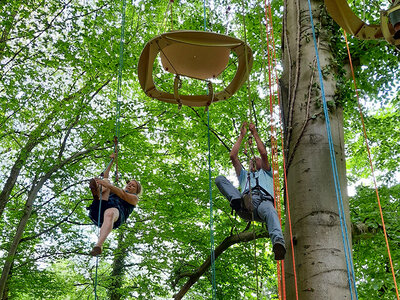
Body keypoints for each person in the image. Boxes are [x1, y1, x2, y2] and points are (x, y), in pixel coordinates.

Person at [215, 122, 286, 260]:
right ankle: (236, 201)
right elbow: (233, 157)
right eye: (252, 161)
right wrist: (241, 136)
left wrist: (254, 133)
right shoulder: (244, 176)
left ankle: (278, 243)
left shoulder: (267, 173)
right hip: (245, 204)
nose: (254, 160)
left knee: (270, 211)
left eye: (256, 160)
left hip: (263, 203)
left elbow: (264, 153)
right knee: (219, 179)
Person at [87, 152, 142, 256]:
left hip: (114, 216)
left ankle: (98, 245)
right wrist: (111, 161)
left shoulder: (134, 198)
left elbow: (122, 195)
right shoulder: (115, 190)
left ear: (136, 191)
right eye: (129, 184)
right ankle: (97, 191)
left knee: (111, 211)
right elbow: (106, 176)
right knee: (107, 183)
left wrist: (108, 185)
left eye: (133, 186)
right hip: (98, 210)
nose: (129, 186)